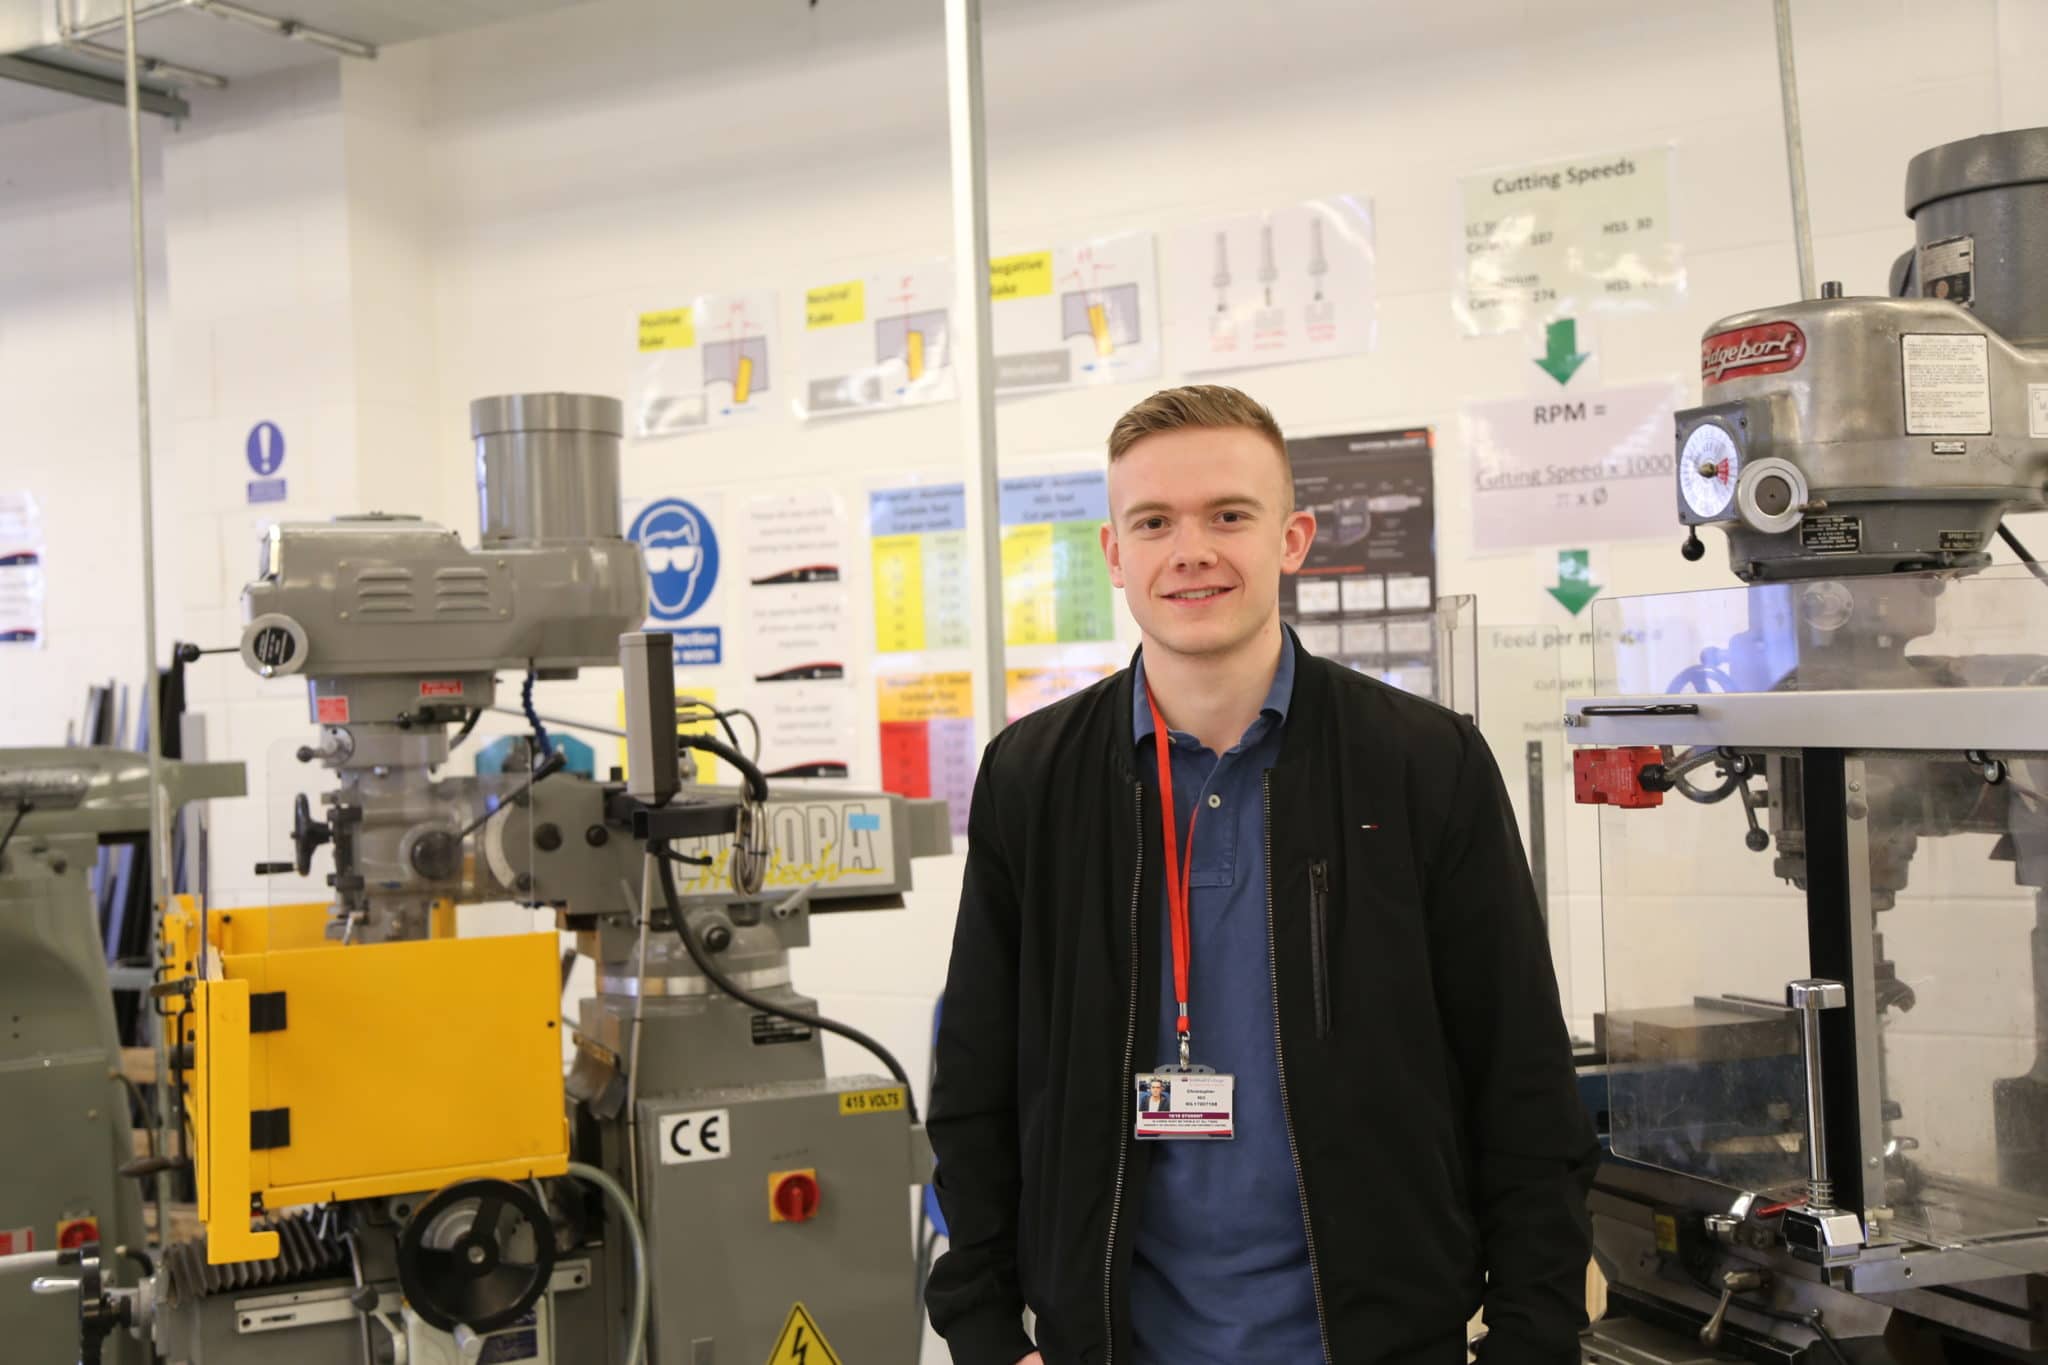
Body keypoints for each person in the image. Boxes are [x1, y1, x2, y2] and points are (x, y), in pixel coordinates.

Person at [925, 384, 1597, 1365]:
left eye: (1227, 516)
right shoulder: (1033, 777)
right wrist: (983, 1332)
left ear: (1292, 538)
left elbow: (1521, 1082)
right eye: (1152, 522)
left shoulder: (1420, 764)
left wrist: (1529, 1340)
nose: (1189, 549)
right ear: (1114, 555)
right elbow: (975, 1080)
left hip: (1376, 1341)